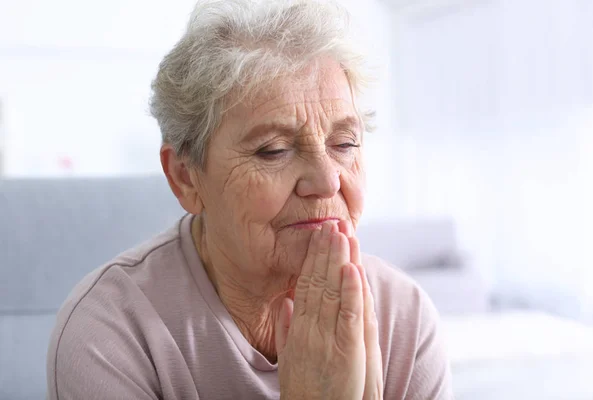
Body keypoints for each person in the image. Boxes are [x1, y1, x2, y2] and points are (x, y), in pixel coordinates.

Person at [46, 1, 452, 399]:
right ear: (186, 177)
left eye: (344, 144)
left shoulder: (404, 318)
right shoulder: (109, 333)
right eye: (273, 150)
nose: (328, 181)